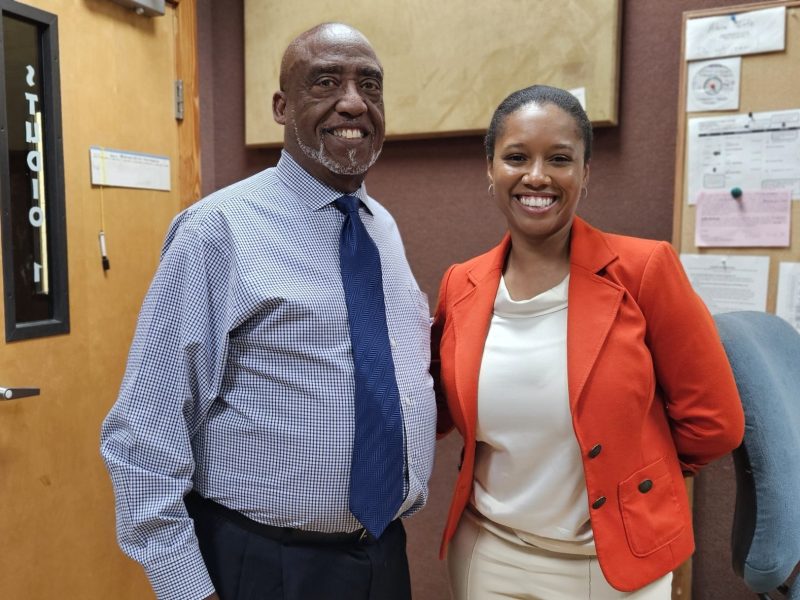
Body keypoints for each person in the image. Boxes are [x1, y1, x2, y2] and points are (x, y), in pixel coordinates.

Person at [100, 23, 435, 600]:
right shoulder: (217, 231)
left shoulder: (381, 229)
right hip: (265, 566)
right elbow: (142, 433)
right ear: (282, 107)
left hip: (382, 555)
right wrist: (187, 590)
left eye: (370, 86)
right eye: (325, 81)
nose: (353, 102)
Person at [431, 84, 745, 599]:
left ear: (585, 173)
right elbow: (439, 410)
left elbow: (716, 422)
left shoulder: (644, 271)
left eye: (559, 158)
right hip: (487, 552)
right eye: (516, 157)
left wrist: (636, 471)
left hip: (611, 563)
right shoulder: (460, 285)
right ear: (491, 169)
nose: (536, 176)